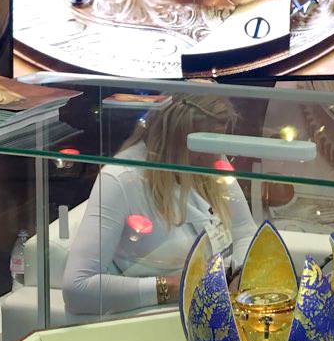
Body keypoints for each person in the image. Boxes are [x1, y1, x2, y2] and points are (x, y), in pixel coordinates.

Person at [63, 95, 257, 315]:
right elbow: (77, 289)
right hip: (161, 315)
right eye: (207, 145)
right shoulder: (120, 179)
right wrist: (175, 286)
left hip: (218, 305)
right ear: (176, 139)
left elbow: (245, 231)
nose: (216, 156)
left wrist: (239, 276)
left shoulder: (207, 156)